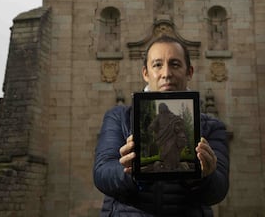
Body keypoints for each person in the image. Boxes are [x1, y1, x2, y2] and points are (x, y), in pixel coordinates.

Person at [93, 35, 229, 216]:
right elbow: (102, 173)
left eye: (175, 64)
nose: (166, 73)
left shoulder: (212, 126)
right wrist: (128, 170)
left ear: (189, 72)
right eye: (157, 65)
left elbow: (218, 190)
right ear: (145, 73)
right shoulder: (118, 117)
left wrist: (206, 175)